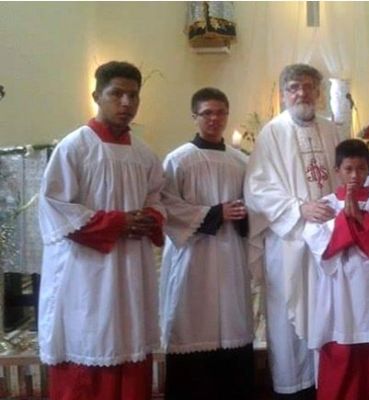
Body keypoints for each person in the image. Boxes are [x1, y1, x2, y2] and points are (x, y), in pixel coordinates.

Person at [37, 61, 164, 400]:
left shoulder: (145, 154)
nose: (126, 103)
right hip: (86, 273)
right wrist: (119, 222)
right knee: (89, 342)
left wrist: (151, 218)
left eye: (133, 96)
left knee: (130, 343)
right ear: (96, 96)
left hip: (131, 270)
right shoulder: (75, 147)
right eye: (116, 94)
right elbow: (55, 207)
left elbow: (158, 198)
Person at [244, 63, 339, 399]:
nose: (302, 93)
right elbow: (257, 188)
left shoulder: (332, 130)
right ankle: (294, 386)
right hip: (288, 241)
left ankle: (328, 382)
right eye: (294, 87)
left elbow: (344, 176)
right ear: (283, 94)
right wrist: (299, 208)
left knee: (328, 311)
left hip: (329, 242)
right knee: (288, 316)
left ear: (318, 92)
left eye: (308, 86)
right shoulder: (272, 133)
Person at [159, 87, 254, 399]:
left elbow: (254, 204)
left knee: (233, 327)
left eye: (220, 112)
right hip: (193, 259)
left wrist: (245, 213)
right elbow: (167, 206)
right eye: (207, 113)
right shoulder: (179, 159)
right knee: (191, 326)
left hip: (231, 257)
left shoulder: (241, 161)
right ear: (194, 116)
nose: (214, 119)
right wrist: (215, 213)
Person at [302, 139, 369, 400]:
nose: (355, 175)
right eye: (348, 169)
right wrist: (346, 220)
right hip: (337, 288)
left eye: (361, 168)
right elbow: (317, 242)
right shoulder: (326, 204)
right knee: (339, 342)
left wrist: (361, 220)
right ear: (337, 171)